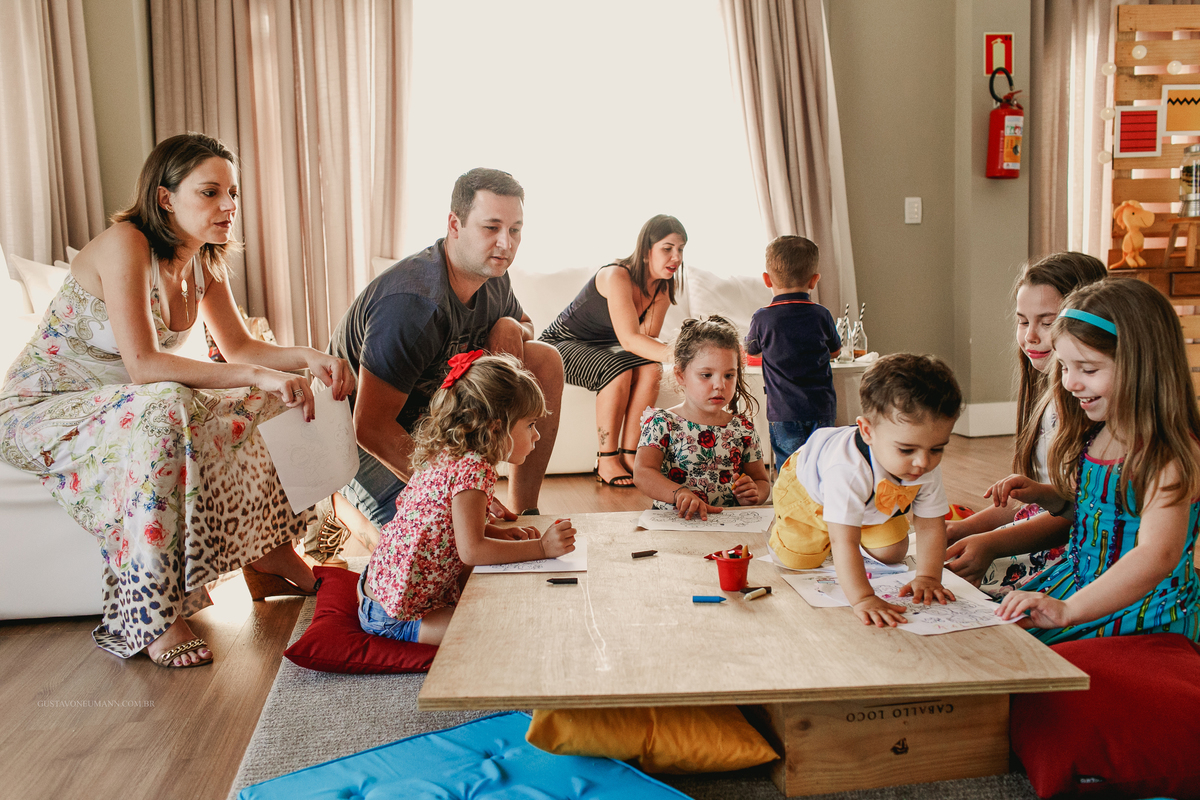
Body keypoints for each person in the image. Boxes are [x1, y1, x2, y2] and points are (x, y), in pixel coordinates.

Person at [0, 133, 356, 667]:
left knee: (278, 397)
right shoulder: (127, 242)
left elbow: (239, 347)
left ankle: (271, 548)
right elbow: (144, 366)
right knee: (168, 403)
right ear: (166, 197)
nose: (229, 206)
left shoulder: (203, 263)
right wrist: (256, 374)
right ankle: (155, 614)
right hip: (44, 409)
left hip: (123, 405)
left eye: (232, 193)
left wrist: (310, 359)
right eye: (210, 193)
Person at [330, 168, 564, 527]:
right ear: (455, 225)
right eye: (492, 228)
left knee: (544, 359)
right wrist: (455, 490)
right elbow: (369, 426)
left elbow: (527, 324)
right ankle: (341, 503)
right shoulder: (412, 305)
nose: (506, 243)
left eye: (515, 229)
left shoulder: (493, 276)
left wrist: (510, 325)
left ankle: (525, 509)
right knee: (437, 538)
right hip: (355, 433)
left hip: (431, 415)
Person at [992, 279, 1200, 644]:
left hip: (1140, 612)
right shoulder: (1099, 432)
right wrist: (1050, 497)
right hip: (1077, 583)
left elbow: (1157, 553)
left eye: (1087, 370)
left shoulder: (1166, 456)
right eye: (1065, 368)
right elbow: (1098, 515)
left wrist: (1069, 611)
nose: (1070, 383)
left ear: (1143, 367)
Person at [358, 352, 576, 646]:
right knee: (496, 631)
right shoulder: (474, 472)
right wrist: (541, 547)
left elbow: (449, 525)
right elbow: (471, 551)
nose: (537, 436)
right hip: (394, 615)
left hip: (378, 585)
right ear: (497, 427)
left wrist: (495, 531)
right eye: (530, 425)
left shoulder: (455, 454)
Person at [945, 253, 1107, 597]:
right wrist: (960, 529)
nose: (1031, 336)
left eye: (1046, 323)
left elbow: (1076, 513)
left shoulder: (1089, 407)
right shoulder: (1045, 395)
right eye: (1023, 321)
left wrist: (987, 543)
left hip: (1071, 559)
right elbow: (1033, 503)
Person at [768, 353, 962, 627]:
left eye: (937, 448)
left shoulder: (921, 462)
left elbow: (931, 525)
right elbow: (843, 541)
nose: (923, 462)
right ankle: (789, 528)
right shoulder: (847, 470)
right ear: (867, 431)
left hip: (872, 499)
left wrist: (929, 577)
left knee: (893, 553)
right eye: (906, 449)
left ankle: (851, 521)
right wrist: (862, 598)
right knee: (799, 559)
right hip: (808, 493)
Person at [539, 215, 684, 487]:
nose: (676, 257)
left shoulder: (661, 289)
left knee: (650, 368)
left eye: (680, 249)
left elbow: (646, 343)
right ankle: (606, 459)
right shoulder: (616, 274)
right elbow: (630, 341)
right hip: (559, 345)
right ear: (645, 251)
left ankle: (631, 455)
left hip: (602, 348)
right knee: (617, 369)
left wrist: (674, 353)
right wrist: (684, 355)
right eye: (667, 248)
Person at [633, 315, 771, 520]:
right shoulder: (662, 423)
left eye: (729, 375)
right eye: (707, 375)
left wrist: (754, 494)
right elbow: (643, 473)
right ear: (680, 375)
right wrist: (679, 493)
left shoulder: (743, 429)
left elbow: (762, 481)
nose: (720, 385)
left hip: (728, 525)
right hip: (676, 523)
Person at [744, 235, 841, 468]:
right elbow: (835, 352)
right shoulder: (821, 314)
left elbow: (751, 350)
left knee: (789, 467)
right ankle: (820, 503)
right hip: (821, 407)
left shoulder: (762, 317)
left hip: (783, 410)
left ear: (767, 280)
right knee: (821, 463)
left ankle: (791, 503)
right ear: (814, 280)